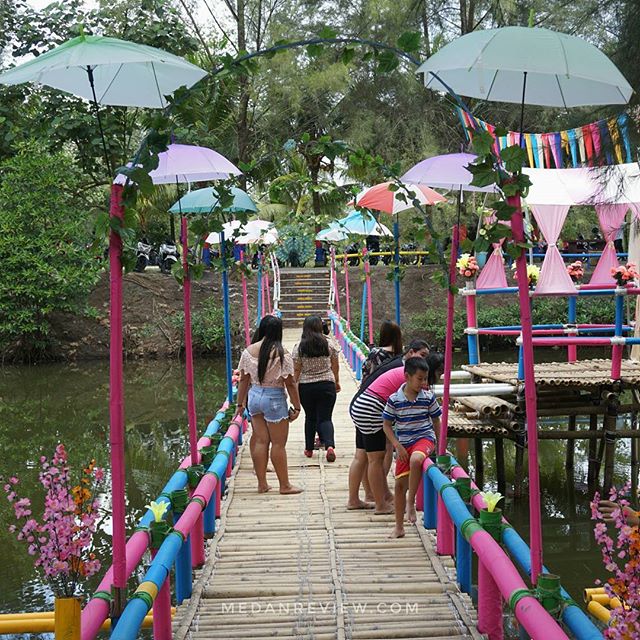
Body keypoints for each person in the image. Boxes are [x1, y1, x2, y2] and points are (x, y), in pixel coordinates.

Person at [347, 339, 430, 513]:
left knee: (361, 455)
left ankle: (358, 499)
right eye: (422, 355)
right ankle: (380, 504)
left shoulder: (399, 366)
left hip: (360, 404)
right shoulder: (408, 375)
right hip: (371, 408)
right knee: (375, 459)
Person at [235, 315, 302, 495]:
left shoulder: (249, 351)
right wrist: (297, 406)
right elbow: (290, 382)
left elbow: (243, 379)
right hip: (274, 399)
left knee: (261, 440)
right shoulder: (282, 353)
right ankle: (284, 485)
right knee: (278, 444)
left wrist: (240, 404)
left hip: (254, 396)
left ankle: (262, 484)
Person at [383, 357, 441, 538]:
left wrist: (439, 445)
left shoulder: (428, 397)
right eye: (420, 379)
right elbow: (386, 425)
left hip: (424, 438)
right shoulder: (394, 400)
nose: (424, 383)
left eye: (425, 379)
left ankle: (412, 501)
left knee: (417, 460)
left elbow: (436, 420)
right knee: (399, 485)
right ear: (407, 376)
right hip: (404, 443)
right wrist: (397, 446)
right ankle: (399, 527)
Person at [292, 316, 341, 462]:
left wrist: (294, 388)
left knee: (310, 417)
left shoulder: (300, 347)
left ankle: (308, 449)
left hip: (306, 386)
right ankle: (330, 446)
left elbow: (296, 370)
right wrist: (336, 381)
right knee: (326, 418)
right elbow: (335, 365)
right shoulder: (329, 344)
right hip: (327, 383)